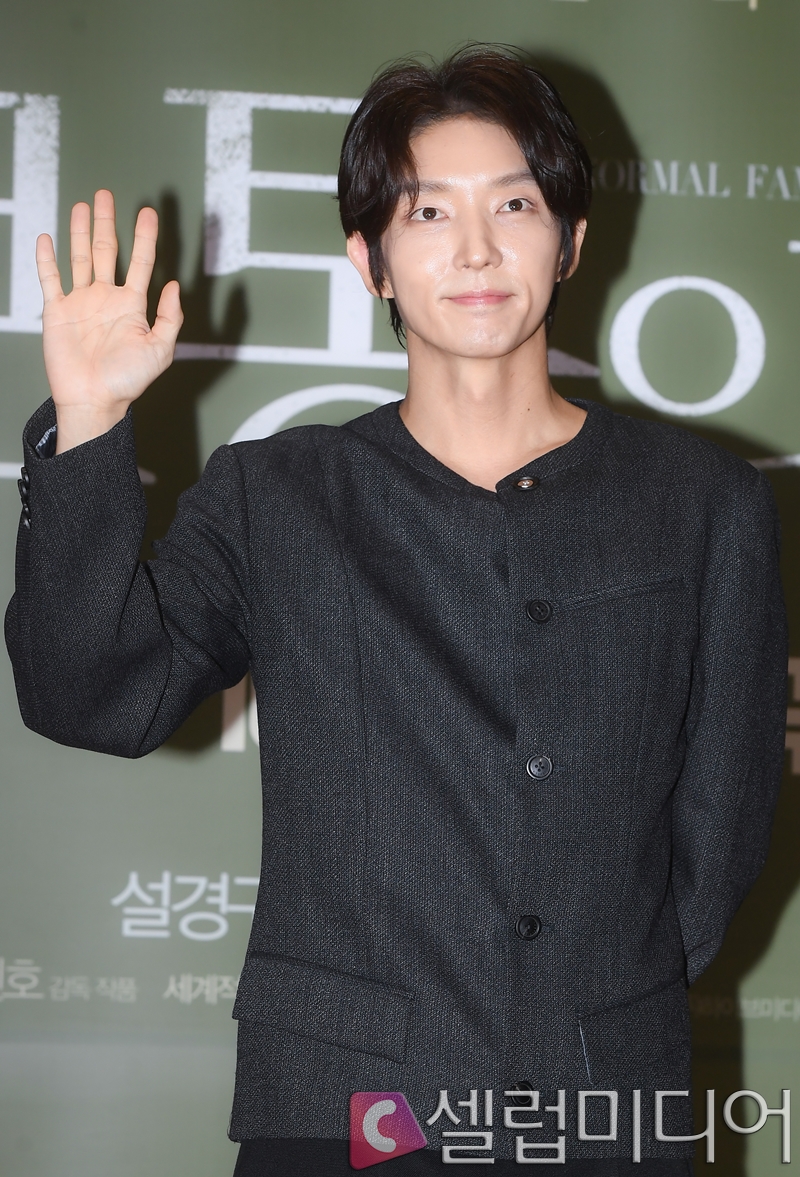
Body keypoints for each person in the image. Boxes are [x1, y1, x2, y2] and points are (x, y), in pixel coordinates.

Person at [5, 47, 787, 1176]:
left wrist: (598, 993)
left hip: (606, 1103)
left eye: (513, 204)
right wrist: (87, 421)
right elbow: (91, 695)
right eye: (426, 212)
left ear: (569, 239)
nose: (475, 249)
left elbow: (720, 828)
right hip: (344, 1103)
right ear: (367, 260)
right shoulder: (276, 495)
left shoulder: (702, 503)